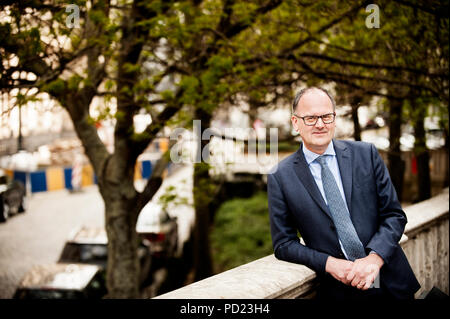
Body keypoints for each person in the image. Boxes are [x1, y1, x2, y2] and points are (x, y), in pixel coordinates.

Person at [267, 87, 420, 300]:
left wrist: (373, 259)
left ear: (334, 119)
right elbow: (284, 244)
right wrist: (330, 264)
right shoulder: (280, 176)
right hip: (339, 290)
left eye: (326, 116)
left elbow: (394, 215)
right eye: (310, 118)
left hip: (391, 282)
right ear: (295, 123)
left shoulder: (366, 154)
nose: (320, 124)